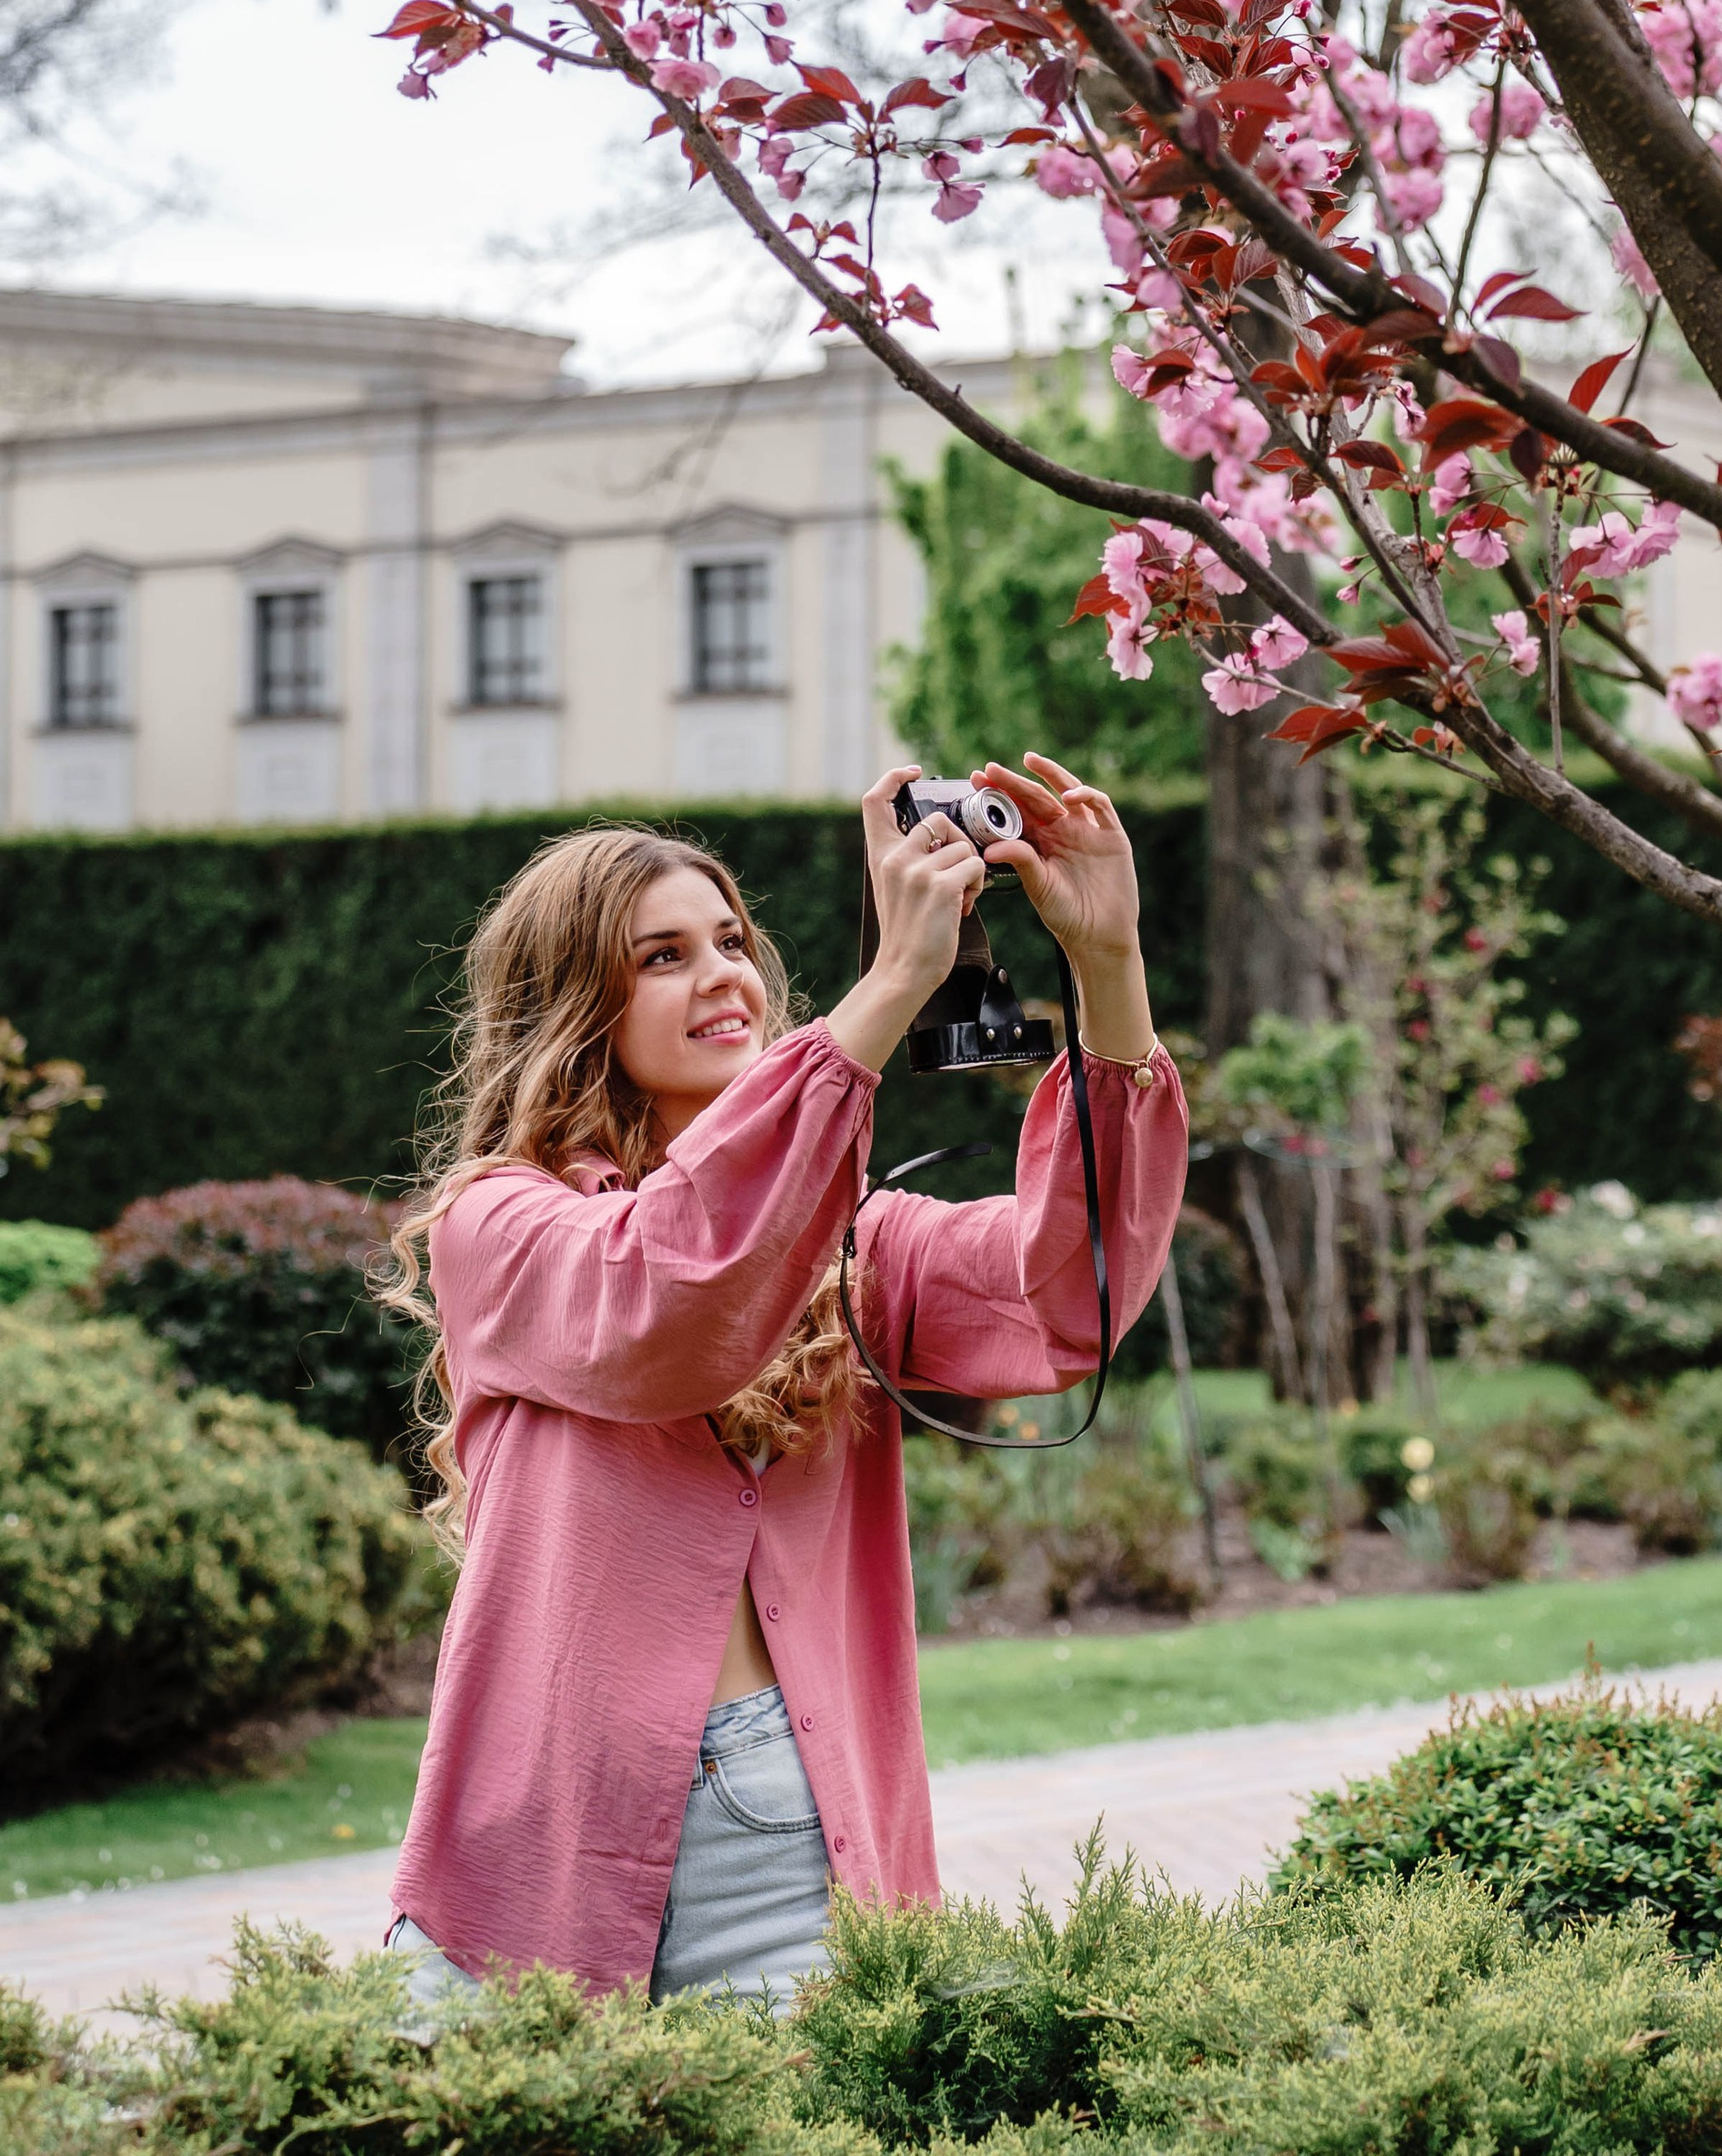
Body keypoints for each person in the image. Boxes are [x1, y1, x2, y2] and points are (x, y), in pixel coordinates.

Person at [375, 754, 1185, 2011]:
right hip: (531, 1844)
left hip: (785, 1845)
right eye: (661, 957)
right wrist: (894, 982)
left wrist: (1110, 970)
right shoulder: (502, 1226)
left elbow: (1069, 1298)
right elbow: (672, 1300)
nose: (725, 978)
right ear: (573, 1010)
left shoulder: (856, 1243)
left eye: (732, 940)